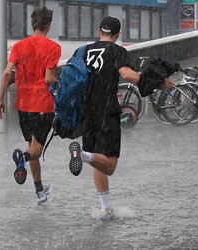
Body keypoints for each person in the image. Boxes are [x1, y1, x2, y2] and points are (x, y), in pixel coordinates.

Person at [68, 16, 174, 220]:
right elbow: (127, 75)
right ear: (117, 35)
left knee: (98, 159)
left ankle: (106, 209)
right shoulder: (118, 51)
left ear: (99, 31)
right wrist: (156, 82)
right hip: (107, 111)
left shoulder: (84, 51)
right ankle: (82, 155)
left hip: (86, 113)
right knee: (109, 165)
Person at [0, 7, 61, 205]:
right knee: (35, 150)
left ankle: (40, 190)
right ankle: (21, 158)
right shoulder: (53, 48)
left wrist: (0, 100)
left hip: (23, 105)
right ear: (48, 26)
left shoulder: (19, 46)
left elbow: (7, 73)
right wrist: (61, 83)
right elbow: (49, 78)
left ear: (33, 24)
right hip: (42, 104)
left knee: (32, 147)